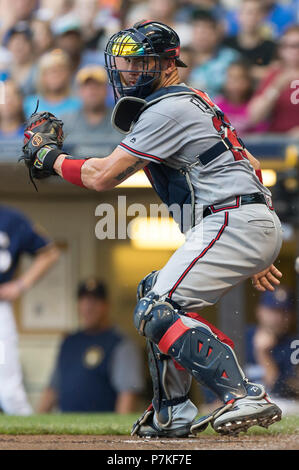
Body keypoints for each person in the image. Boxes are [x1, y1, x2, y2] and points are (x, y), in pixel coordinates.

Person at [22, 20, 284, 438]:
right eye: (123, 64)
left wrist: (51, 157)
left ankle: (242, 393)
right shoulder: (194, 101)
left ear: (166, 65)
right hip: (239, 217)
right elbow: (250, 165)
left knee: (156, 308)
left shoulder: (167, 108)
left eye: (137, 64)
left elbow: (102, 177)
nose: (126, 73)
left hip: (232, 218)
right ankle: (173, 412)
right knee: (152, 293)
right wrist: (255, 243)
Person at [38, 278, 144, 413]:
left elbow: (127, 395)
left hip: (102, 431)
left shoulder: (120, 344)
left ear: (106, 305)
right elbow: (52, 390)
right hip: (64, 428)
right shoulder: (69, 341)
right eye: (84, 301)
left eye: (95, 302)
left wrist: (119, 432)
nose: (88, 307)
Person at [0, 205, 60, 415]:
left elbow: (49, 252)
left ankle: (28, 442)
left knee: (8, 387)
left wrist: (20, 285)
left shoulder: (10, 219)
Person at [245, 287, 299, 413]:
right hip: (244, 403)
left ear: (291, 316)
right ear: (259, 311)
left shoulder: (295, 344)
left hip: (281, 406)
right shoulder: (241, 337)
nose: (278, 317)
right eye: (272, 310)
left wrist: (263, 354)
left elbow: (284, 392)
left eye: (284, 311)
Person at [248, 25, 299, 136]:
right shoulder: (275, 74)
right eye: (289, 46)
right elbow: (254, 117)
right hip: (278, 142)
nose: (294, 51)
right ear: (281, 50)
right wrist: (275, 88)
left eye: (297, 46)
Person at [62, 65, 121, 157]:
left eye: (97, 85)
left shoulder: (120, 121)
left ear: (106, 90)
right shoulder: (65, 121)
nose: (92, 90)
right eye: (87, 86)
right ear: (79, 91)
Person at [189, 12, 240, 98]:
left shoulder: (231, 58)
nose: (201, 37)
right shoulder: (182, 57)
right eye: (197, 32)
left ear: (216, 33)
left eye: (206, 32)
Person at [223, 0, 277, 81]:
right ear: (237, 15)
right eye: (248, 12)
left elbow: (276, 73)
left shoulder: (272, 47)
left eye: (257, 13)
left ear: (263, 17)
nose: (252, 17)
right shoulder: (226, 44)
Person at [23, 48, 81, 118]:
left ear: (68, 74)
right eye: (50, 72)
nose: (55, 76)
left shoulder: (78, 104)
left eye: (59, 71)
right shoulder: (29, 104)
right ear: (41, 76)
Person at [214, 61, 267, 135]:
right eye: (230, 77)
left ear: (248, 81)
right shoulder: (216, 105)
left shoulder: (256, 105)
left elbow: (261, 134)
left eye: (239, 78)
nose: (233, 82)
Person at [3, 21, 37, 96]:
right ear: (8, 45)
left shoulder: (38, 71)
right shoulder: (3, 71)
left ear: (31, 45)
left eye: (24, 41)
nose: (19, 46)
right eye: (15, 41)